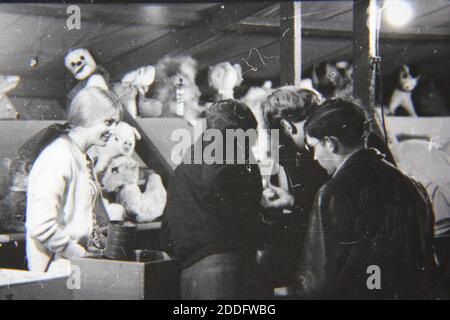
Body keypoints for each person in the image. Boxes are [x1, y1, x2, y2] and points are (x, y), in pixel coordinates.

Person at [295, 98, 437, 299]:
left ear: (330, 143)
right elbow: (427, 264)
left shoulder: (333, 193)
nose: (315, 157)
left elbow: (318, 284)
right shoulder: (413, 186)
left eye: (314, 147)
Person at [160, 99, 269, 299]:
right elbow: (249, 216)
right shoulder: (240, 157)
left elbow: (169, 227)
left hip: (191, 273)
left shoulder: (185, 165)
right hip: (233, 269)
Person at [26, 87, 121, 274]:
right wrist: (80, 255)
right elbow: (40, 225)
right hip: (56, 268)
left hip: (75, 264)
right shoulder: (58, 156)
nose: (113, 130)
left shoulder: (80, 156)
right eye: (108, 122)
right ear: (87, 116)